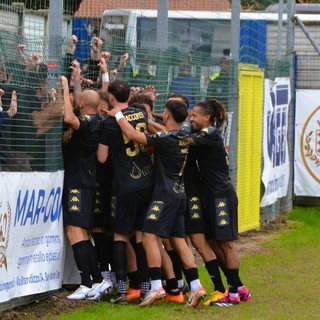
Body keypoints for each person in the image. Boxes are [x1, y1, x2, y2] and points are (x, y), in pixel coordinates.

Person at [107, 99, 207, 307]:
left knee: (149, 237)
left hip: (164, 196)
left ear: (168, 115)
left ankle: (155, 287)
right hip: (180, 195)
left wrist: (118, 115)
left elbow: (133, 135)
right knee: (178, 240)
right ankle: (196, 286)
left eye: (164, 112)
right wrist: (149, 119)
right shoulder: (183, 132)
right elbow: (163, 129)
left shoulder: (165, 138)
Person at [187, 99, 250, 306]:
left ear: (207, 118)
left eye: (195, 115)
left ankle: (232, 294)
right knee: (214, 243)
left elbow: (185, 140)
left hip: (221, 196)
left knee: (226, 245)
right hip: (211, 196)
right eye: (190, 114)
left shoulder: (211, 133)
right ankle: (239, 287)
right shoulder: (205, 134)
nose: (191, 118)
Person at [97, 80, 154, 304]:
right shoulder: (140, 114)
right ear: (129, 96)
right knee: (140, 236)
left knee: (120, 236)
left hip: (124, 184)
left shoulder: (109, 122)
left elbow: (101, 158)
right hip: (146, 182)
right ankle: (145, 286)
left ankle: (122, 289)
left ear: (111, 98)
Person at [61, 68, 112, 300]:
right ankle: (97, 281)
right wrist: (77, 82)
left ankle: (86, 283)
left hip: (78, 183)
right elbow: (78, 114)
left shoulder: (88, 122)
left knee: (75, 231)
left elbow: (69, 118)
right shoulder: (98, 121)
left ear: (80, 104)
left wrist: (65, 87)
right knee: (79, 231)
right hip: (87, 182)